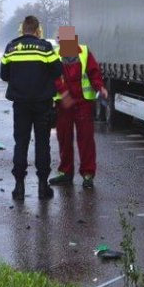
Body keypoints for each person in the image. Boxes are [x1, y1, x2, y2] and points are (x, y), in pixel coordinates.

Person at [0, 15, 64, 201]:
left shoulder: (11, 47)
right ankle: (43, 188)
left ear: (22, 29)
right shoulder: (45, 47)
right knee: (42, 144)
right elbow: (58, 71)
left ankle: (19, 188)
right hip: (42, 103)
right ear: (37, 30)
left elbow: (4, 75)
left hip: (20, 104)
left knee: (21, 143)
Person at [49, 26, 108, 189]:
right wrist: (64, 93)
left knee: (85, 139)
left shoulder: (82, 51)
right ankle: (67, 173)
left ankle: (86, 174)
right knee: (65, 138)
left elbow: (93, 73)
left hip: (80, 102)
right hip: (65, 103)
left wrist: (99, 87)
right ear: (59, 40)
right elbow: (54, 77)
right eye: (61, 39)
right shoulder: (55, 54)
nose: (63, 42)